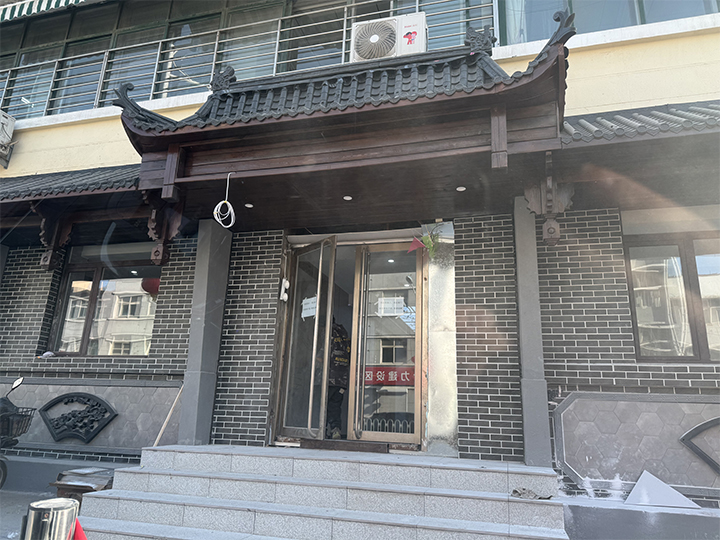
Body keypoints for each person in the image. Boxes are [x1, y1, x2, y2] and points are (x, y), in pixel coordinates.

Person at [326, 320, 350, 439]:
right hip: (342, 380)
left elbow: (320, 357)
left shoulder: (328, 333)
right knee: (335, 405)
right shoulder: (344, 335)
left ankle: (321, 430)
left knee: (322, 405)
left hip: (329, 378)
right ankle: (336, 429)